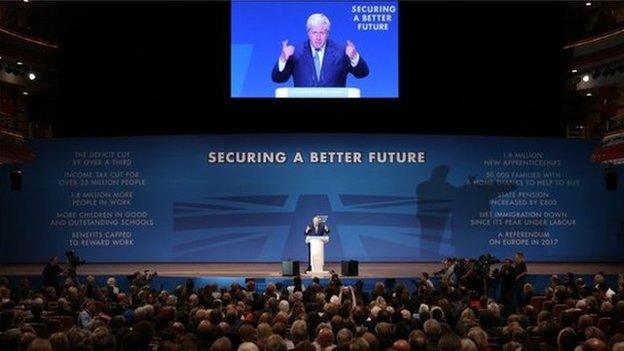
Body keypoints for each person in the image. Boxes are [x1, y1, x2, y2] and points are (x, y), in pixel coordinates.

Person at [271, 13, 369, 87]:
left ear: (328, 33)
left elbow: (362, 74)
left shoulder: (342, 51)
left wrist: (354, 57)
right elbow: (278, 79)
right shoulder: (295, 52)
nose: (318, 37)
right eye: (314, 32)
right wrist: (283, 59)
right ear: (308, 33)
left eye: (322, 33)